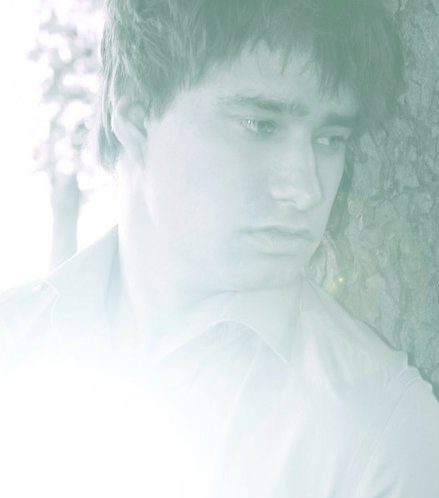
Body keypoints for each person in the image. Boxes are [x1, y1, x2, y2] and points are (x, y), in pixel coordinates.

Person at [1, 0, 439, 497]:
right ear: (137, 116)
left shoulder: (379, 431)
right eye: (260, 125)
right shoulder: (12, 343)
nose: (307, 190)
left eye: (330, 138)